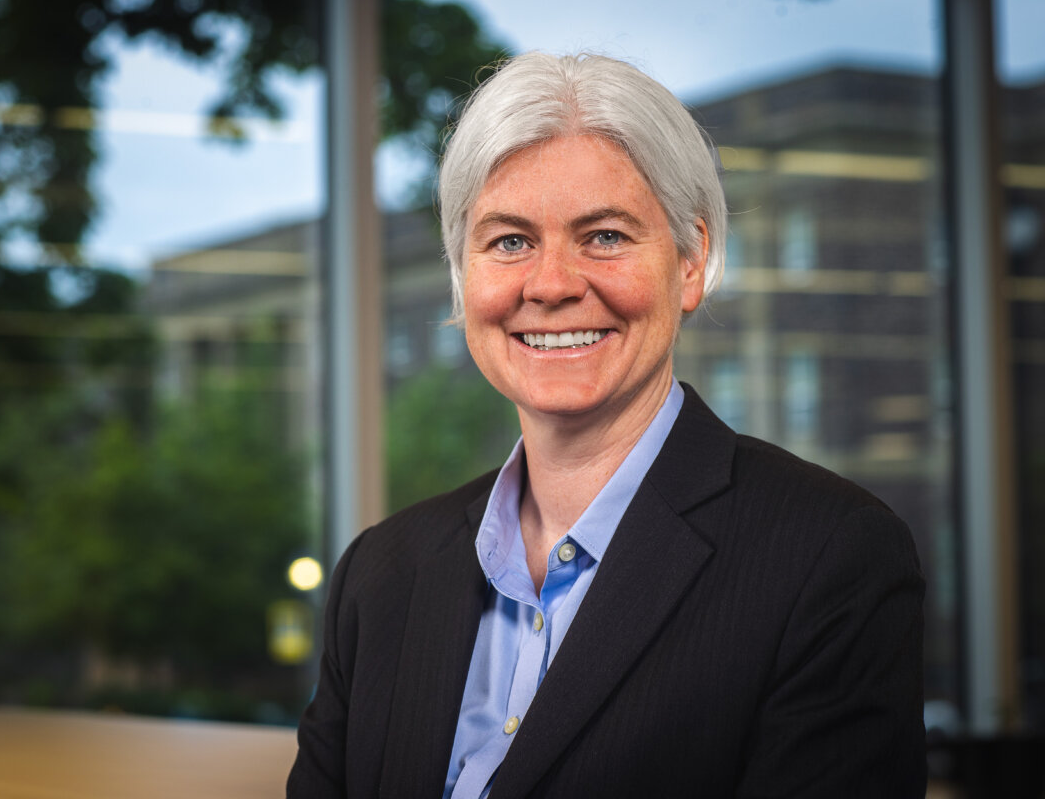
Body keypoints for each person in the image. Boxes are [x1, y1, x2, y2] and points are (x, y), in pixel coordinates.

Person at [288, 52, 925, 798]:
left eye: (606, 236)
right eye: (510, 242)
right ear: (465, 277)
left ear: (691, 264)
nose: (552, 284)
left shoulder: (830, 557)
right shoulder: (382, 573)